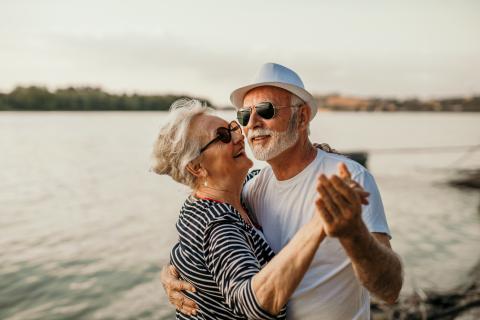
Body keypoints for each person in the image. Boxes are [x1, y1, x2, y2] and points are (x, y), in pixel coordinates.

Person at [161, 63, 403, 319]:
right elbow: (206, 234)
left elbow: (390, 290)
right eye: (244, 116)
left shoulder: (350, 180)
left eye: (266, 111)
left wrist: (355, 236)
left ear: (301, 117)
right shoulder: (251, 190)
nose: (251, 124)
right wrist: (174, 271)